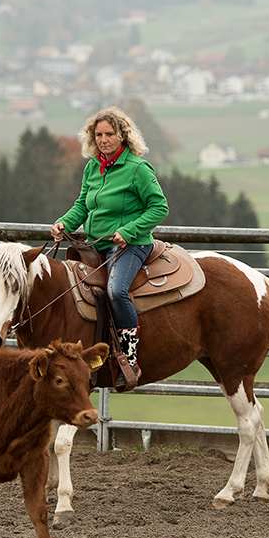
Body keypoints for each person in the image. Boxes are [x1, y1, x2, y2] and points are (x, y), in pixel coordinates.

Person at [51, 107, 169, 385]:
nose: (103, 139)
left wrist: (129, 231)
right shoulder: (93, 166)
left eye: (110, 134)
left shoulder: (138, 168)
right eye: (99, 134)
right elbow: (82, 205)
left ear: (123, 136)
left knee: (116, 291)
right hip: (95, 246)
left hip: (131, 245)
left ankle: (129, 357)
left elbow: (159, 206)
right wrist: (64, 224)